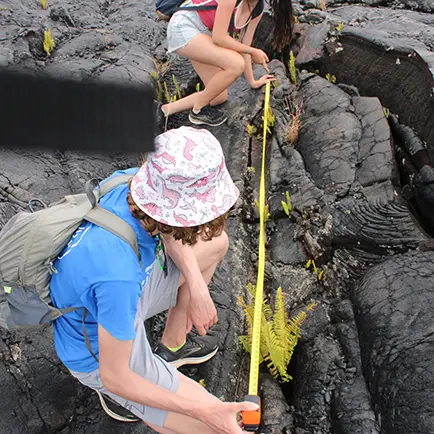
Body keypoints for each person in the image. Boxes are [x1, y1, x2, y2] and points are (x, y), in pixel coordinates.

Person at [49, 126, 259, 434]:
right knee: (212, 426)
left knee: (217, 244)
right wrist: (205, 410)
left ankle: (171, 347)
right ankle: (126, 399)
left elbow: (168, 230)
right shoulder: (116, 274)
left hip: (121, 294)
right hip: (96, 348)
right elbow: (115, 375)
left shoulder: (131, 183)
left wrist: (198, 289)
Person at [154, 0, 294, 128]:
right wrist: (253, 51)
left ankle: (163, 111)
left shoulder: (257, 9)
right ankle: (197, 110)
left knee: (217, 97)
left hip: (203, 34)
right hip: (184, 27)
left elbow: (244, 47)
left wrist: (253, 82)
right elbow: (219, 38)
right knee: (235, 63)